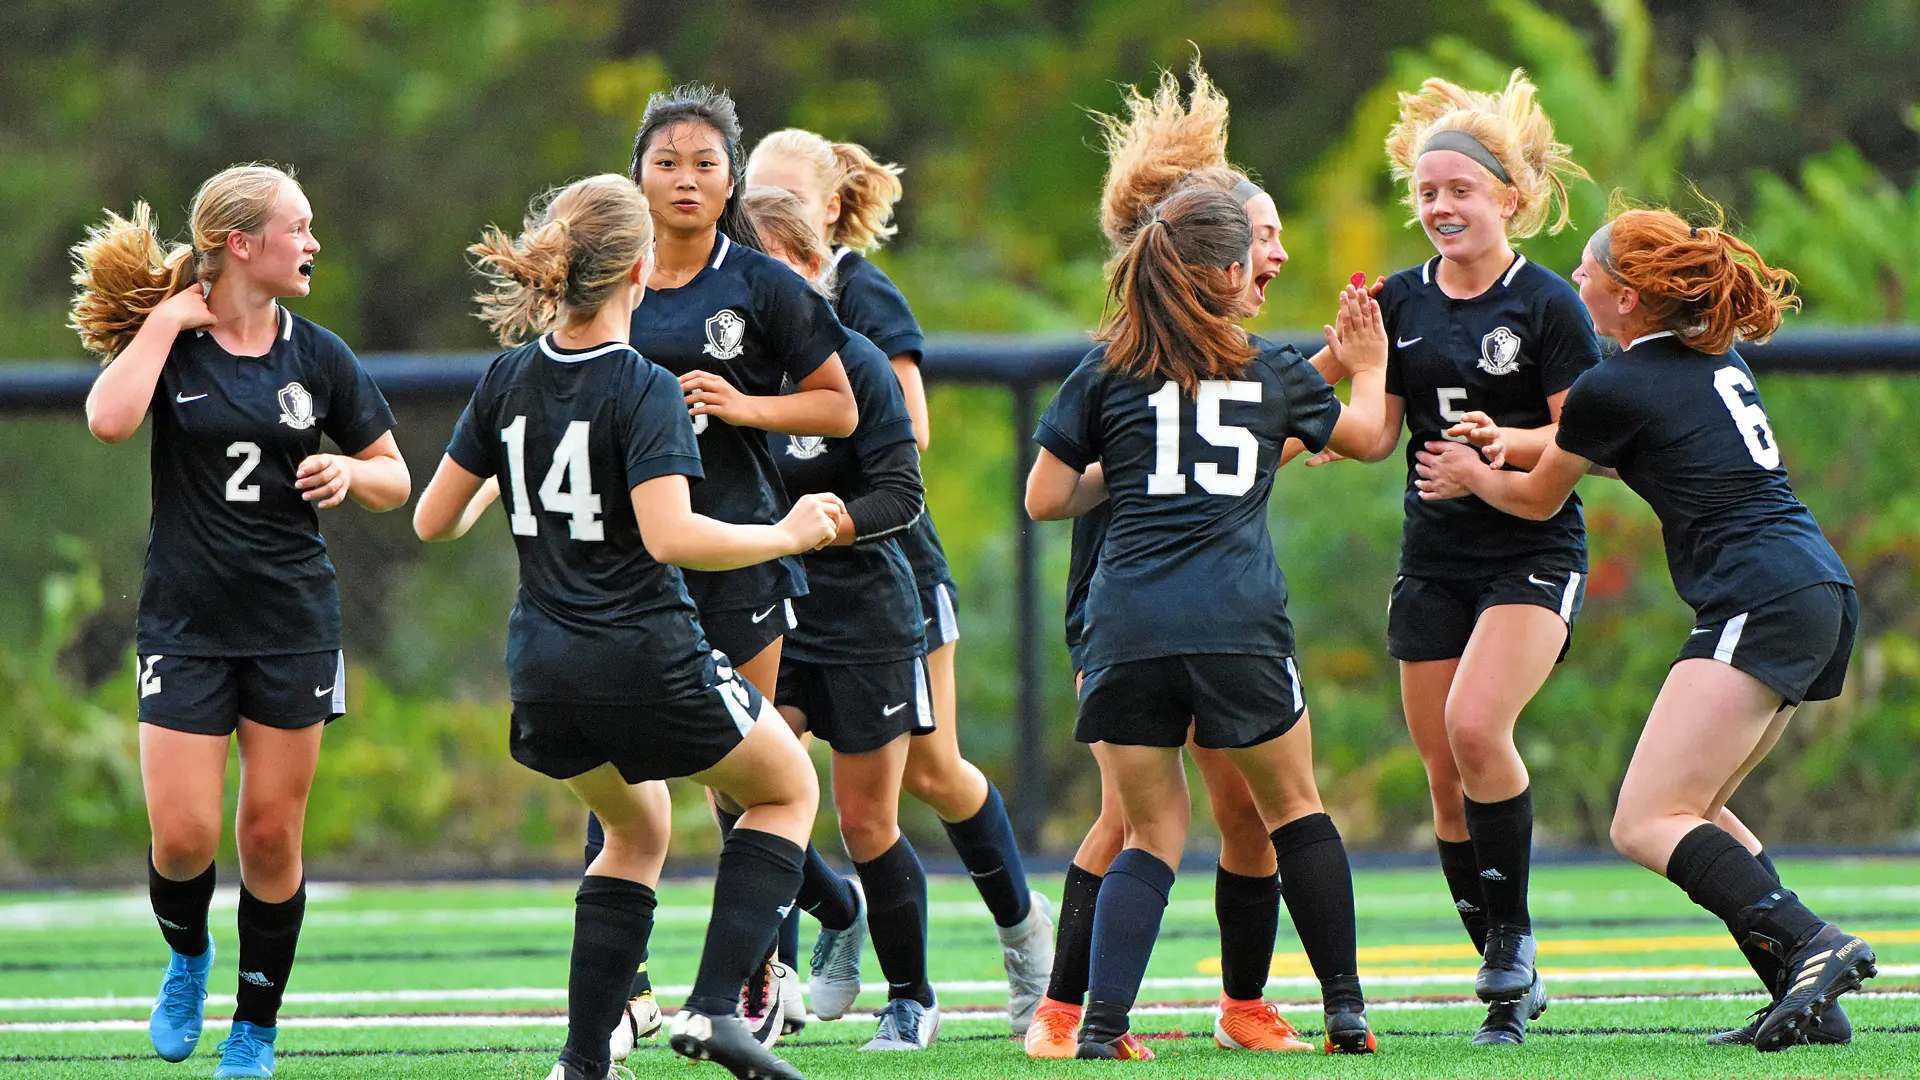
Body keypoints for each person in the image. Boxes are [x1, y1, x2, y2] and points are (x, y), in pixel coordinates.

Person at [1414, 202, 1875, 1053]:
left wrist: (1470, 473)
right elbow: (1581, 444)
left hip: (1759, 593)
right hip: (1810, 585)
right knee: (1698, 808)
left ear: (1627, 297)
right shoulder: (1700, 357)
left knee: (1644, 819)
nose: (1577, 281)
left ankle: (1815, 945)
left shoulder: (1612, 382)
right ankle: (1807, 997)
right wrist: (1504, 438)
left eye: (1589, 272)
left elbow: (1537, 495)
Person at [413, 174, 843, 1080]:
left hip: (541, 666)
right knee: (787, 788)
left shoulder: (506, 378)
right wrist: (789, 531)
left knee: (638, 830)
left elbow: (431, 520)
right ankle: (719, 1010)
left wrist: (512, 470)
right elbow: (673, 537)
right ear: (640, 269)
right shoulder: (642, 383)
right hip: (642, 651)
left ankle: (583, 1061)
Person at [1026, 185, 1392, 1060]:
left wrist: (1135, 469)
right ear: (1229, 273)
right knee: (1294, 809)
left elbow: (1045, 498)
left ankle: (1102, 1026)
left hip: (1127, 625)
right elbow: (1371, 438)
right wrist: (1369, 365)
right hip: (1237, 621)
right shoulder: (1268, 366)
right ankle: (1346, 1014)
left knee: (1151, 832)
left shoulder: (1106, 367)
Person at [75, 164, 410, 1080]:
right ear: (241, 244)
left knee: (269, 834)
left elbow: (396, 477)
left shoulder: (322, 357)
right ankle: (188, 959)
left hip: (294, 623)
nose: (312, 244)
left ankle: (254, 1029)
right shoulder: (173, 342)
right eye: (297, 228)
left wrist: (351, 476)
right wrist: (163, 321)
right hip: (184, 625)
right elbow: (107, 420)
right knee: (182, 836)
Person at [1307, 68, 1598, 1044]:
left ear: (1508, 198)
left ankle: (1512, 936)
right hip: (1432, 559)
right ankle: (1503, 982)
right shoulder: (1395, 299)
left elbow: (1575, 449)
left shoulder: (1549, 306)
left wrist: (1492, 461)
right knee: (1442, 774)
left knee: (1479, 730)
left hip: (1530, 549)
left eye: (1460, 189)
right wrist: (1345, 379)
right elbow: (1372, 436)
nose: (1440, 206)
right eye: (1427, 192)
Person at [745, 128, 1052, 1032]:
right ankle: (828, 927)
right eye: (750, 196)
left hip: (891, 566)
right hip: (790, 573)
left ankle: (1021, 928)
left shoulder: (857, 292)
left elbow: (906, 428)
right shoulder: (740, 305)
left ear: (830, 211)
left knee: (930, 774)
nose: (760, 211)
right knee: (758, 772)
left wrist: (809, 420)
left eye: (787, 199)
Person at [581, 83, 863, 1049]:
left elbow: (838, 408)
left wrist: (745, 407)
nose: (686, 179)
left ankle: (759, 971)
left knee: (744, 784)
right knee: (622, 771)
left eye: (705, 162)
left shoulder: (762, 286)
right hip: (629, 568)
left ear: (732, 175)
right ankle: (624, 994)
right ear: (637, 177)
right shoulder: (604, 282)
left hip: (738, 554)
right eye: (667, 162)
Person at [743, 183, 956, 1050]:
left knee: (867, 820)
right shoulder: (733, 371)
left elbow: (901, 494)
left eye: (783, 268)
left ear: (813, 271)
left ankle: (911, 995)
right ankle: (811, 934)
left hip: (868, 612)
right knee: (752, 795)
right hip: (772, 610)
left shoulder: (857, 363)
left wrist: (827, 521)